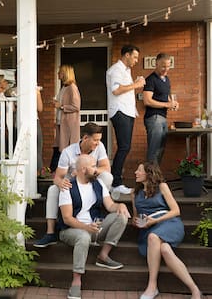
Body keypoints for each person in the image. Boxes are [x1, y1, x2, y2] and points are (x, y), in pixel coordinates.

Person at [58, 154, 130, 299]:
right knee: (84, 237)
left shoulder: (98, 183)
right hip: (71, 230)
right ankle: (76, 281)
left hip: (95, 227)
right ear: (84, 169)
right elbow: (67, 219)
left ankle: (103, 255)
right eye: (93, 167)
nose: (96, 170)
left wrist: (120, 205)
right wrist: (86, 228)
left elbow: (110, 205)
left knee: (120, 216)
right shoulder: (68, 187)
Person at [34, 122, 113, 248]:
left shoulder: (100, 147)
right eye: (95, 140)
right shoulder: (68, 152)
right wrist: (61, 183)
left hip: (92, 182)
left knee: (108, 177)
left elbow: (106, 167)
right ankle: (50, 233)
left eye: (99, 140)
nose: (97, 143)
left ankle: (98, 208)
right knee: (53, 190)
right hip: (73, 187)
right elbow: (57, 177)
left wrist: (91, 171)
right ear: (85, 138)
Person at [132, 162, 202, 299]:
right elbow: (136, 217)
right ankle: (195, 289)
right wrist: (136, 222)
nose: (135, 172)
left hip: (169, 223)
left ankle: (152, 286)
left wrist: (155, 221)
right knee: (164, 249)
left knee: (153, 237)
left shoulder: (162, 187)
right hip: (148, 229)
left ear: (148, 173)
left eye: (139, 170)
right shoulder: (135, 193)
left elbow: (176, 210)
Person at [106, 44, 145, 195]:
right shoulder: (116, 69)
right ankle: (115, 183)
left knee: (125, 147)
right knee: (124, 147)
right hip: (120, 111)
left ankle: (116, 181)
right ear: (126, 55)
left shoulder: (126, 70)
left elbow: (124, 88)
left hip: (127, 112)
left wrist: (134, 82)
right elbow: (116, 90)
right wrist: (136, 84)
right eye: (134, 57)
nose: (136, 60)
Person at [143, 53, 179, 164]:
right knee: (153, 151)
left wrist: (173, 103)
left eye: (168, 66)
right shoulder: (150, 79)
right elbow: (147, 100)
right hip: (154, 118)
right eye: (163, 66)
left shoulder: (166, 79)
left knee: (161, 150)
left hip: (163, 118)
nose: (166, 69)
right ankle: (149, 179)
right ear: (156, 64)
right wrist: (167, 105)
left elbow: (166, 98)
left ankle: (155, 177)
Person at [50, 64, 81, 172]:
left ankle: (58, 170)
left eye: (60, 72)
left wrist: (62, 106)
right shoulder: (64, 87)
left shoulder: (72, 88)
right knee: (58, 146)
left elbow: (76, 106)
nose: (58, 74)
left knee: (65, 148)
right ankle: (54, 170)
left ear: (65, 74)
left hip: (68, 124)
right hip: (61, 122)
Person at [37, 86, 44, 174]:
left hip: (16, 122)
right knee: (38, 147)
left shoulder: (11, 91)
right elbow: (40, 108)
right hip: (34, 121)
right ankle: (39, 171)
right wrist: (38, 93)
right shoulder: (34, 91)